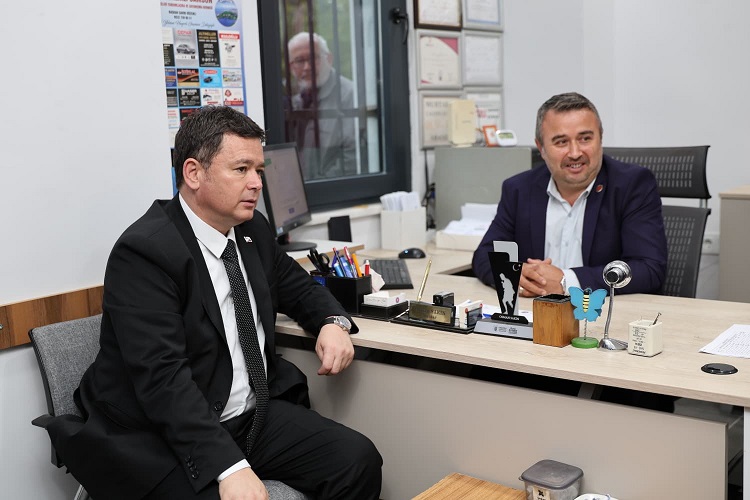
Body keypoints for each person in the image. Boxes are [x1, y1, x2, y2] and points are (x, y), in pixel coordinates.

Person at [47, 106, 382, 500]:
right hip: (164, 434)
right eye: (241, 169)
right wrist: (229, 466)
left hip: (249, 416)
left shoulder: (251, 229)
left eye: (259, 170)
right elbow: (163, 380)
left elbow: (298, 286)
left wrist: (332, 322)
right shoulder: (145, 253)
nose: (256, 183)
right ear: (193, 173)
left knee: (358, 460)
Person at [473, 92, 667, 297]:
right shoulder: (519, 189)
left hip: (601, 310)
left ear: (600, 139)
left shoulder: (632, 185)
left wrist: (566, 281)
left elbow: (648, 268)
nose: (575, 153)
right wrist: (514, 273)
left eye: (585, 139)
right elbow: (484, 255)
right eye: (561, 142)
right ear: (541, 148)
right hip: (536, 310)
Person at [287, 31, 357, 179]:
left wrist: (320, 184)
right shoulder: (296, 101)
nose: (307, 67)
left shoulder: (349, 95)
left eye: (313, 58)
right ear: (291, 66)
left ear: (329, 59)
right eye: (299, 61)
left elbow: (354, 154)